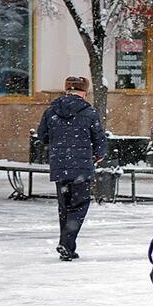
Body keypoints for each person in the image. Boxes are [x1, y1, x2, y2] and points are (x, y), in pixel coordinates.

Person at [37, 76, 106, 261]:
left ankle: (68, 246)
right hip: (82, 167)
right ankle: (66, 244)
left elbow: (42, 136)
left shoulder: (51, 111)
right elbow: (99, 139)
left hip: (60, 167)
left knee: (64, 207)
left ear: (67, 90)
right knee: (79, 205)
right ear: (84, 92)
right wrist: (99, 154)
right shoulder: (90, 112)